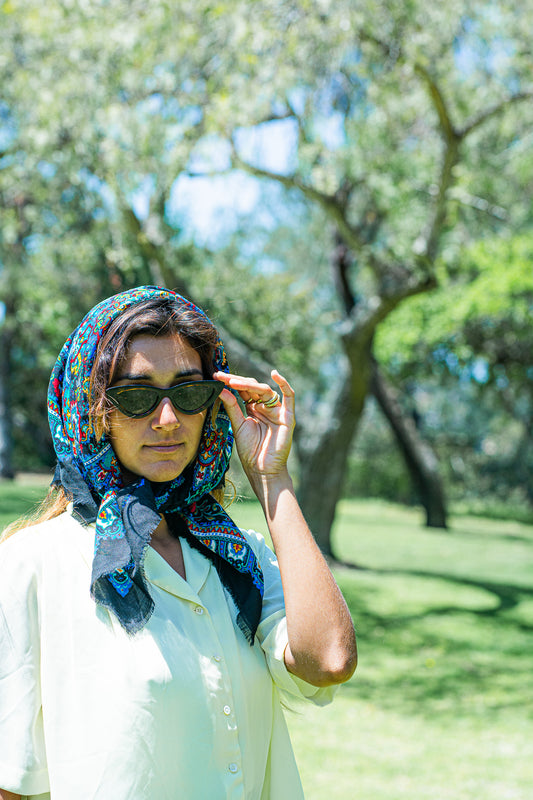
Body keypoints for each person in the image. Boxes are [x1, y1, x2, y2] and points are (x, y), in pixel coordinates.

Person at [0, 286, 356, 800]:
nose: (168, 421)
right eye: (137, 396)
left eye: (189, 394)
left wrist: (271, 478)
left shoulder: (240, 558)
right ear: (92, 407)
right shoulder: (32, 565)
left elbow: (329, 661)